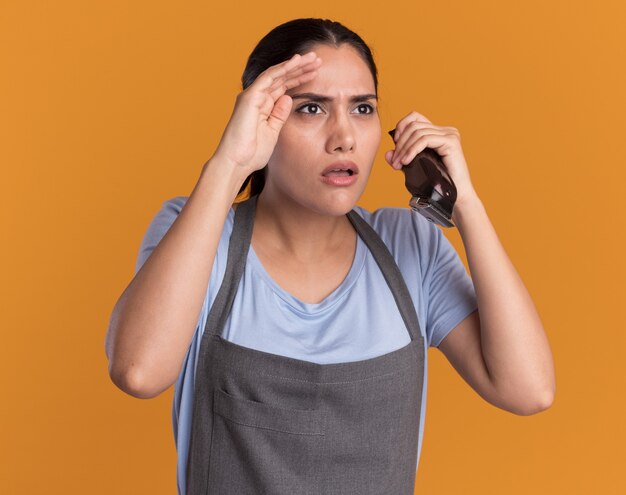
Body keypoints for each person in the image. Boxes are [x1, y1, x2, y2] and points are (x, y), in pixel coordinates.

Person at [105, 17, 555, 495]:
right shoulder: (200, 235)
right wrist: (228, 165)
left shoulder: (410, 245)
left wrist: (466, 205)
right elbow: (138, 371)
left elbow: (528, 390)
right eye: (312, 108)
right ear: (262, 119)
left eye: (362, 108)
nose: (344, 136)